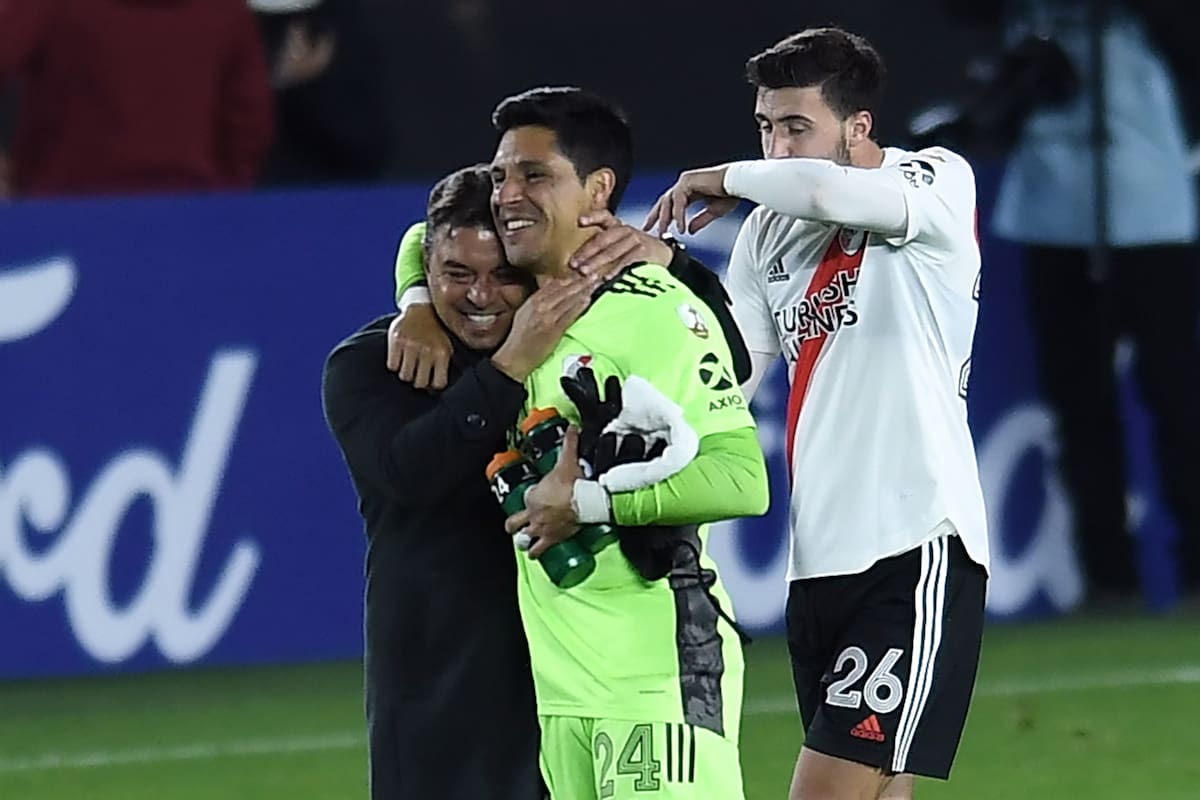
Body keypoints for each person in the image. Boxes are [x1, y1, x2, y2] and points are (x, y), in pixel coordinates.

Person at [638, 28, 991, 800]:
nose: (777, 146)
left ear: (858, 126)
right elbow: (729, 378)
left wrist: (725, 177)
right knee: (880, 789)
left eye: (797, 126)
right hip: (818, 559)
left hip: (913, 543)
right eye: (766, 126)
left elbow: (828, 194)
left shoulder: (932, 181)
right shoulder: (766, 233)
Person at [481, 85, 768, 800]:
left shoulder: (654, 310)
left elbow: (742, 478)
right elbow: (430, 232)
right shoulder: (515, 305)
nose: (507, 195)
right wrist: (418, 300)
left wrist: (588, 503)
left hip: (656, 672)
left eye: (534, 175)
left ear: (598, 190)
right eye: (499, 176)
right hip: (563, 689)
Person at [322, 163, 600, 799]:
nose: (481, 295)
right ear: (430, 266)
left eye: (504, 275)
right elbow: (410, 474)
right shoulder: (372, 366)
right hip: (438, 678)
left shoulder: (579, 346)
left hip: (573, 666)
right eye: (457, 274)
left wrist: (417, 295)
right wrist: (507, 366)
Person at [964, 0, 1200, 602]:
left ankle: (1194, 564)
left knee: (1178, 396)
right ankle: (1107, 576)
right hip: (1051, 205)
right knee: (1078, 404)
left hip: (1150, 201)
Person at [0, 0, 274, 198]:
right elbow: (249, 121)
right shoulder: (224, 9)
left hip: (66, 206)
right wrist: (220, 198)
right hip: (187, 208)